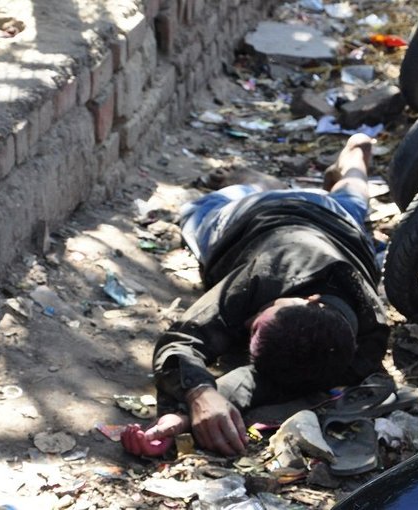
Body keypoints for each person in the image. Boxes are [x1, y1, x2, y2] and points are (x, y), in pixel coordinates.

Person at [121, 133, 390, 457]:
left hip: (336, 218)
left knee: (355, 199)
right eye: (260, 318)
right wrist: (198, 394)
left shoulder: (363, 347)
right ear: (310, 300)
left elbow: (275, 382)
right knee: (198, 209)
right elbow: (182, 338)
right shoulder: (263, 275)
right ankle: (256, 182)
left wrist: (182, 416)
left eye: (252, 327)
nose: (246, 319)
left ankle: (354, 158)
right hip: (258, 213)